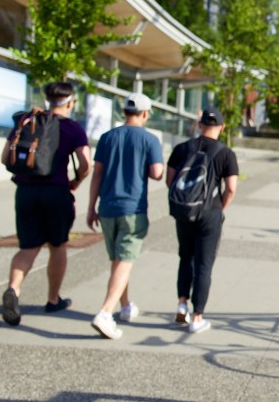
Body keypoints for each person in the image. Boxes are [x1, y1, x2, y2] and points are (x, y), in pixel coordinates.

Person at [0, 81, 91, 326]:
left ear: (48, 100)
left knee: (28, 247)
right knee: (57, 245)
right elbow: (85, 163)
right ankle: (53, 299)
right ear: (70, 102)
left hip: (26, 191)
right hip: (56, 193)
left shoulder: (28, 122)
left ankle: (13, 290)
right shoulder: (72, 128)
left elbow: (4, 156)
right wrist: (76, 181)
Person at [86, 93, 164, 339]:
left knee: (119, 260)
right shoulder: (150, 139)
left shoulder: (108, 138)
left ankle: (125, 306)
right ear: (145, 113)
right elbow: (157, 173)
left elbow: (96, 174)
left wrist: (91, 207)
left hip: (107, 208)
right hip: (133, 208)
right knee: (125, 260)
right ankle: (105, 312)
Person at [166, 107, 239, 334]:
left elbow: (170, 181)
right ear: (222, 127)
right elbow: (231, 189)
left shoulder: (181, 149)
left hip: (184, 212)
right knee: (204, 265)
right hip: (210, 213)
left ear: (199, 125)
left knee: (185, 256)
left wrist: (187, 200)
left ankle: (181, 304)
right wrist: (219, 208)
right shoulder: (226, 154)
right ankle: (197, 317)